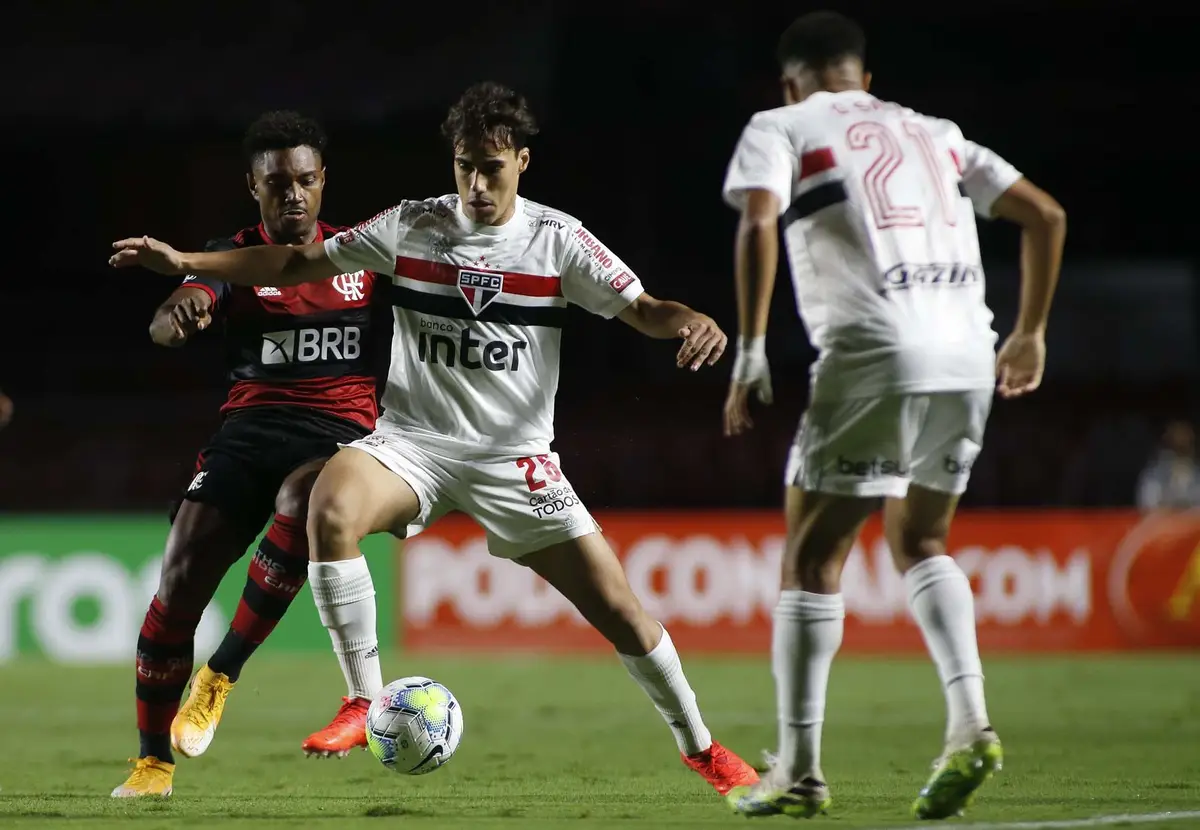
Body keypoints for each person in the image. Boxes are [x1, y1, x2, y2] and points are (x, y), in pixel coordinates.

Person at [111, 81, 761, 798]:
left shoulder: (557, 240)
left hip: (513, 459)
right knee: (328, 502)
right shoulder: (412, 225)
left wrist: (691, 320)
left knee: (622, 611)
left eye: (492, 166)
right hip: (413, 444)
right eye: (463, 167)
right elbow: (295, 263)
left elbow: (643, 308)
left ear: (522, 161)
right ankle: (363, 699)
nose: (477, 184)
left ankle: (700, 746)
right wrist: (186, 266)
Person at [719, 12, 1066, 820]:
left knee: (810, 562)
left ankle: (799, 772)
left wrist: (750, 349)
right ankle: (970, 723)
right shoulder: (936, 132)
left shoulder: (781, 124)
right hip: (967, 352)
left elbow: (760, 217)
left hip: (875, 351)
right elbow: (1046, 216)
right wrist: (1032, 332)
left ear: (791, 81)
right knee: (921, 539)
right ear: (864, 79)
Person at [112, 111, 384, 797]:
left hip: (338, 437)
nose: (292, 194)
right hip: (247, 437)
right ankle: (152, 763)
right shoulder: (228, 256)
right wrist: (177, 316)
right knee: (176, 586)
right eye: (276, 183)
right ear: (253, 188)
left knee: (306, 499)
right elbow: (184, 302)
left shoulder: (364, 255)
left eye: (303, 180)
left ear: (324, 181)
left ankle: (222, 671)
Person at [1137, 420, 1200, 512]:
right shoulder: (1153, 475)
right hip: (1163, 525)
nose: (1181, 449)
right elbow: (1147, 506)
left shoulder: (1197, 474)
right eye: (1177, 446)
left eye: (1185, 445)